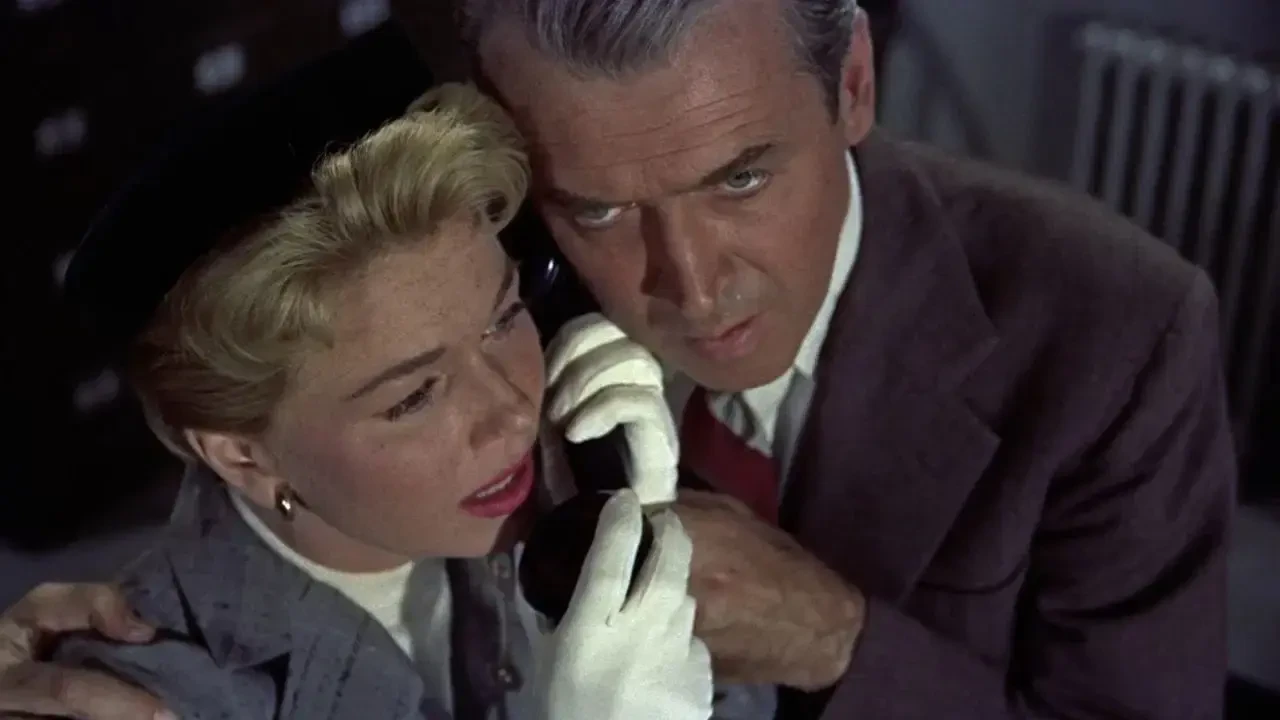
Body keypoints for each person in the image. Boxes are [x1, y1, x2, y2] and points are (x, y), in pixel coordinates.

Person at [4, 0, 1236, 718]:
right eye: (593, 208)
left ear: (854, 81)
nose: (687, 288)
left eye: (741, 177)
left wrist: (839, 642)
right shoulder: (480, 255)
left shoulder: (1119, 338)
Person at [1, 29, 714, 720]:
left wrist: (651, 545)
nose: (513, 413)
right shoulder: (156, 694)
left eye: (503, 318)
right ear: (244, 455)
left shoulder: (587, 478)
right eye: (414, 396)